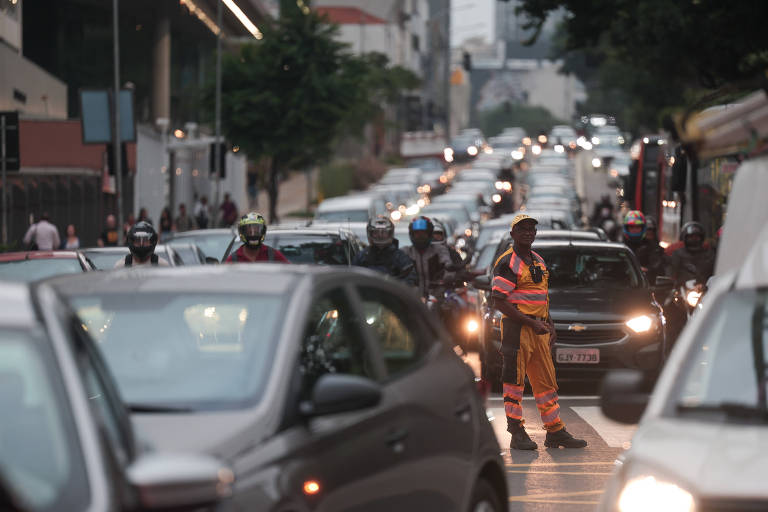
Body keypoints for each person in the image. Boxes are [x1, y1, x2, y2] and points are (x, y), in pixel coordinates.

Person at [491, 213, 587, 450]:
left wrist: (549, 323)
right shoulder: (507, 262)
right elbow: (499, 301)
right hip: (517, 329)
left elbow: (542, 298)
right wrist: (531, 322)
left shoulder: (539, 261)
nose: (528, 233)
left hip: (539, 329)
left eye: (532, 230)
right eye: (523, 229)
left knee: (546, 384)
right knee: (514, 382)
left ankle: (555, 432)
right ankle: (516, 432)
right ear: (513, 234)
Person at [353, 215, 416, 285]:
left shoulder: (400, 256)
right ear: (370, 233)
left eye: (384, 232)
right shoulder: (361, 256)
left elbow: (410, 278)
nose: (380, 236)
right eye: (376, 232)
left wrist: (394, 286)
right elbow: (353, 278)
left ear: (390, 233)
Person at [402, 216, 454, 298]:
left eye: (423, 234)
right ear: (412, 235)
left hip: (437, 296)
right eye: (417, 234)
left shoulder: (439, 249)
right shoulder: (406, 251)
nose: (420, 237)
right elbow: (394, 268)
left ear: (429, 234)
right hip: (412, 298)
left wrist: (448, 275)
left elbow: (447, 263)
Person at [622, 210, 667, 283]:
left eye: (637, 227)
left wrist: (646, 270)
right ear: (626, 228)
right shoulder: (621, 248)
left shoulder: (653, 248)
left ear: (643, 228)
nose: (634, 230)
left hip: (645, 288)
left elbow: (658, 270)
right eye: (631, 227)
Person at [225, 212, 289, 263]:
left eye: (256, 232)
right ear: (242, 232)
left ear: (263, 231)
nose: (253, 235)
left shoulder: (272, 255)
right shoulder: (233, 260)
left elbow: (289, 272)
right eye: (249, 232)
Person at [670, 221, 715, 286]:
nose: (694, 240)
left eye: (696, 237)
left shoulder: (709, 255)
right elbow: (671, 273)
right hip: (682, 291)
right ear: (685, 238)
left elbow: (715, 274)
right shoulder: (677, 254)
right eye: (691, 237)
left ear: (701, 238)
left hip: (705, 290)